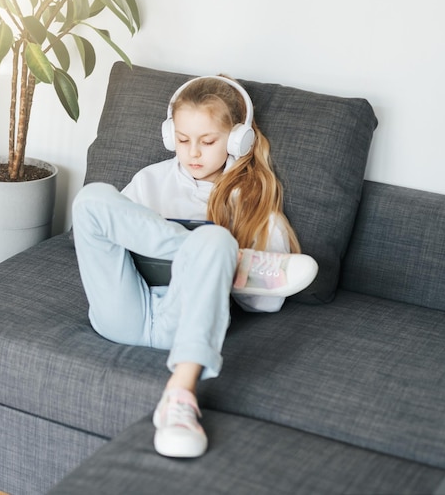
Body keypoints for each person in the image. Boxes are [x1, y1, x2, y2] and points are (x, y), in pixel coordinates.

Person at [71, 75, 318, 458]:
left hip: (182, 324)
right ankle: (229, 260)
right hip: (120, 309)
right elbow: (103, 238)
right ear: (171, 136)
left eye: (208, 141)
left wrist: (214, 257)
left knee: (216, 239)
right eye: (184, 141)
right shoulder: (150, 180)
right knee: (90, 199)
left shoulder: (251, 202)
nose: (193, 153)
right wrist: (209, 257)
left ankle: (179, 397)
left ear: (238, 140)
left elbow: (268, 304)